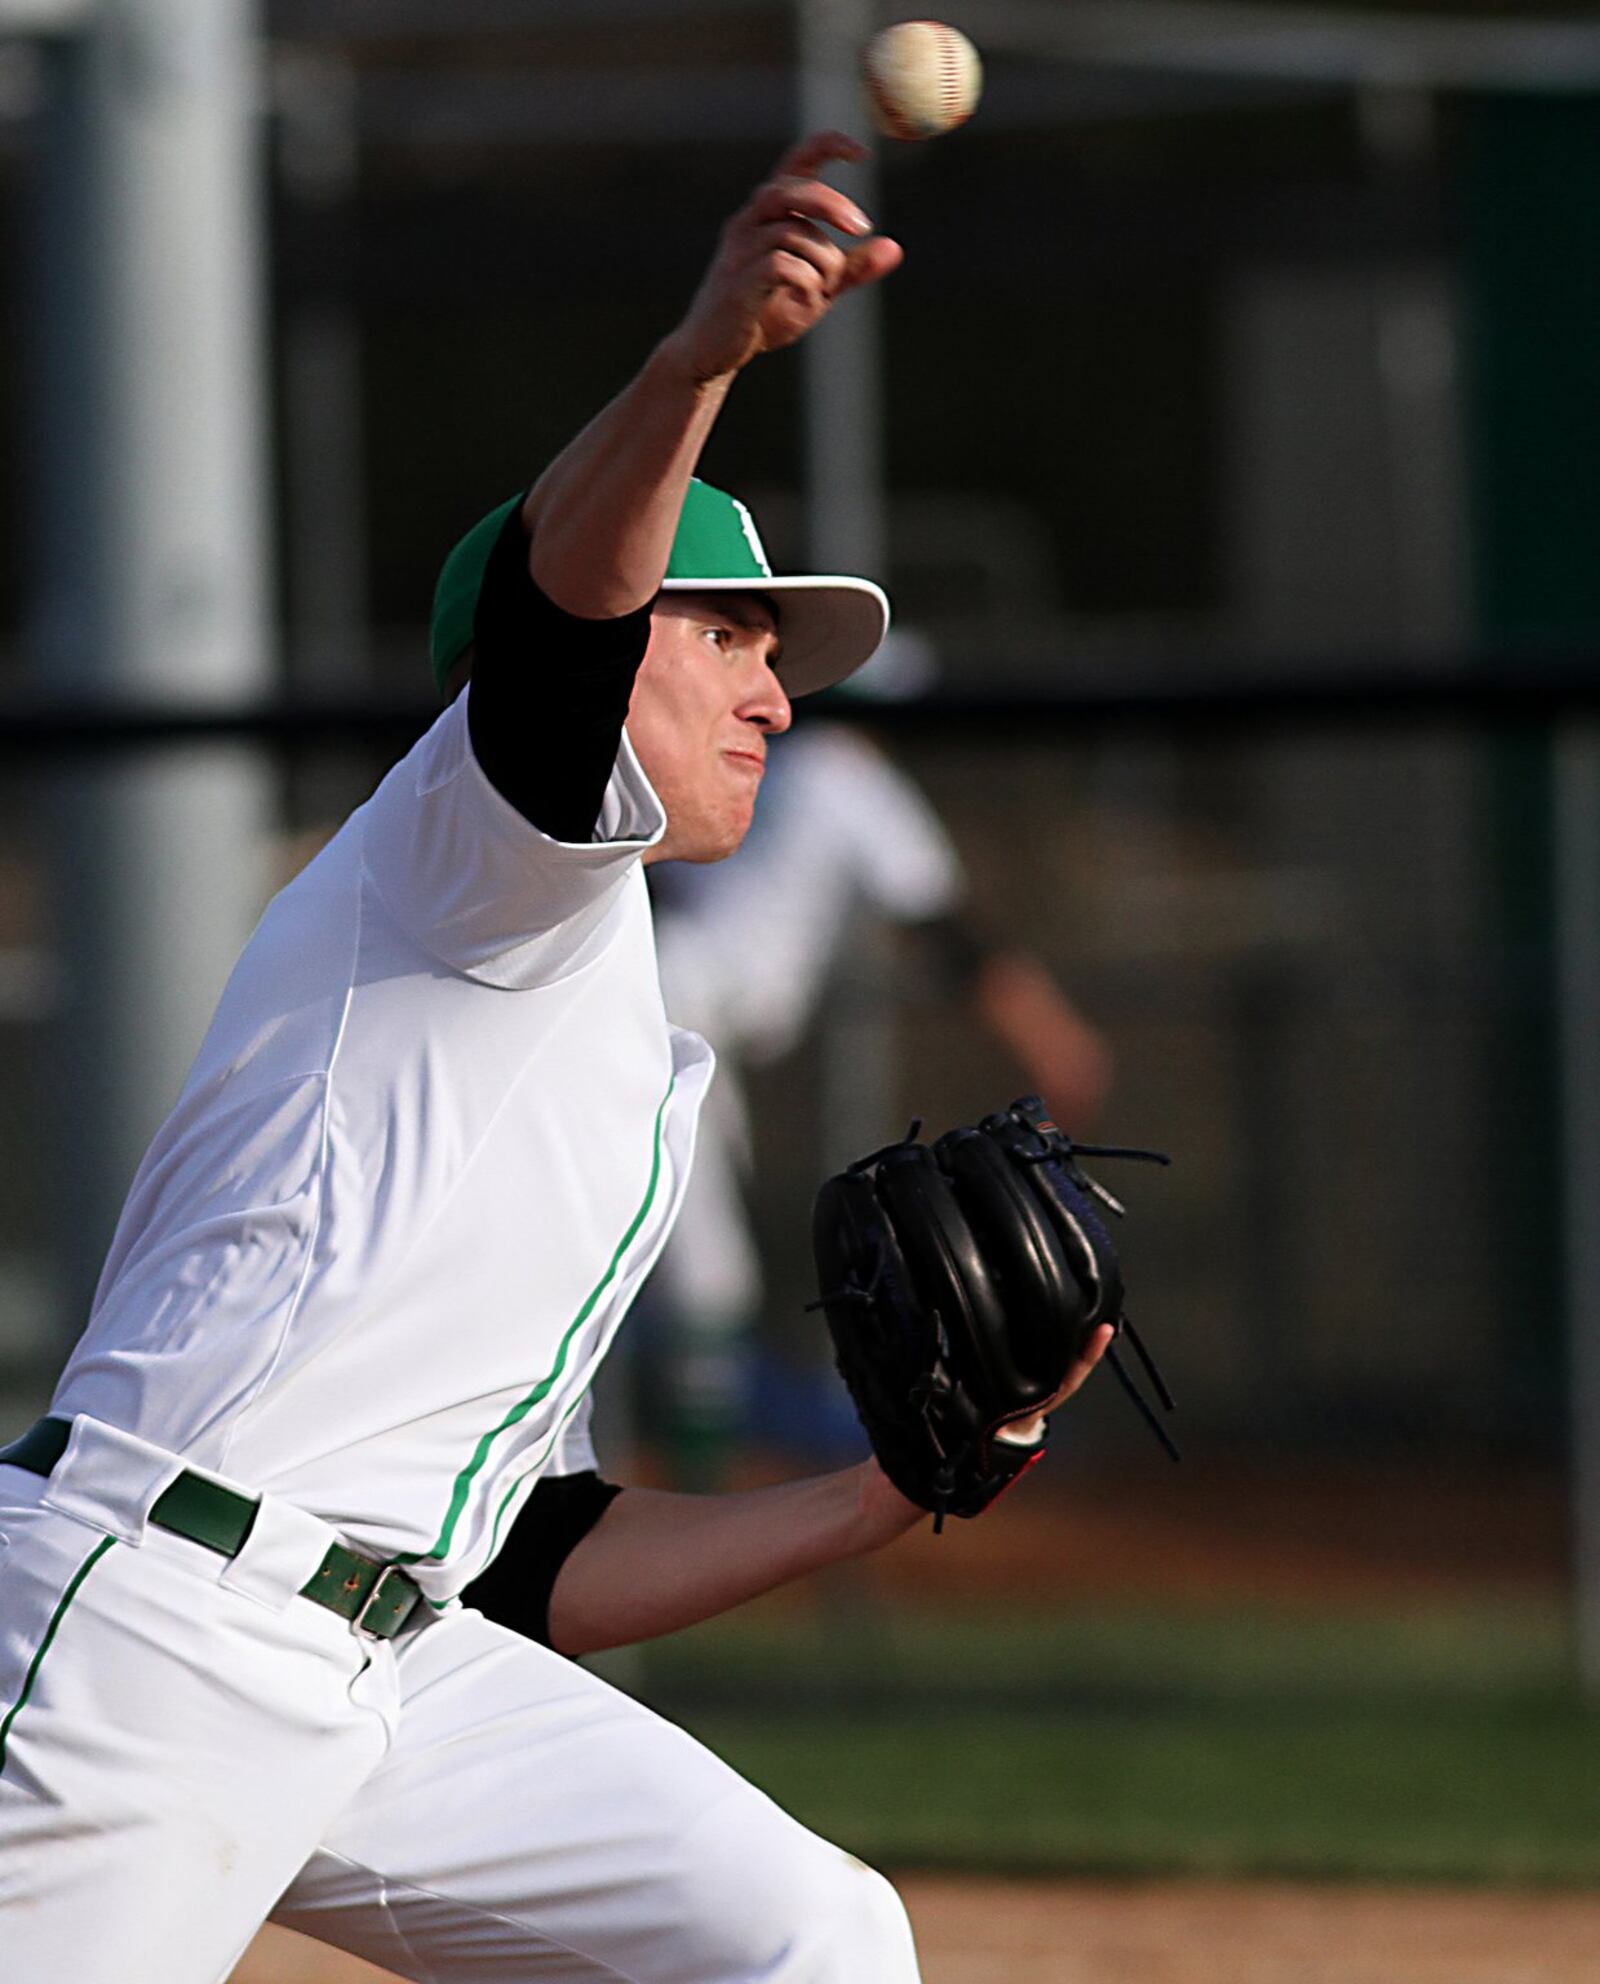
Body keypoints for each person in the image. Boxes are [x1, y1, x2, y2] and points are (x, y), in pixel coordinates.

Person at [0, 134, 1112, 1983]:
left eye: (784, 649)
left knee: (810, 1943)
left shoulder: (599, 1036)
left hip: (391, 1661)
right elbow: (549, 646)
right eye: (731, 630)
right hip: (150, 1632)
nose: (775, 688)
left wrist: (878, 1493)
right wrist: (700, 363)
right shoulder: (474, 859)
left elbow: (530, 1558)